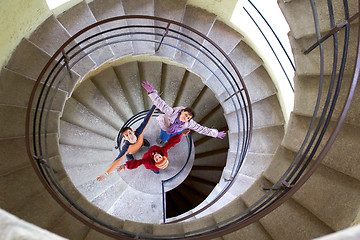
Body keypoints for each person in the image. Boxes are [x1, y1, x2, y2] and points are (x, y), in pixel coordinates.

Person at [141, 80, 226, 143]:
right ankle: (163, 140)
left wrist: (215, 133)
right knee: (164, 136)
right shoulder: (171, 112)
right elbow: (161, 104)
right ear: (182, 111)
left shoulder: (189, 124)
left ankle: (174, 136)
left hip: (178, 130)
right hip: (166, 127)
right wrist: (152, 93)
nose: (186, 118)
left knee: (175, 135)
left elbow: (202, 129)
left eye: (188, 118)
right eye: (186, 115)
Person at [96, 105, 156, 181]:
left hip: (140, 143)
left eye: (130, 133)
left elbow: (146, 119)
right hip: (130, 151)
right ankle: (130, 155)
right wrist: (105, 174)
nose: (129, 136)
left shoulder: (139, 131)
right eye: (126, 135)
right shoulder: (126, 147)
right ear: (125, 138)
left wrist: (154, 106)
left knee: (141, 141)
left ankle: (143, 143)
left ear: (133, 131)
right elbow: (117, 160)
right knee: (129, 155)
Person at [117, 129, 190, 174]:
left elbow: (138, 162)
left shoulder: (147, 161)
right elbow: (171, 143)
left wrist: (126, 165)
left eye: (157, 159)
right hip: (156, 164)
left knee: (155, 170)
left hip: (152, 166)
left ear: (155, 161)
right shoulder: (162, 151)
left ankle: (156, 171)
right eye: (160, 157)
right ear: (162, 156)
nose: (157, 155)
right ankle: (157, 171)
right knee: (156, 169)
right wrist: (180, 135)